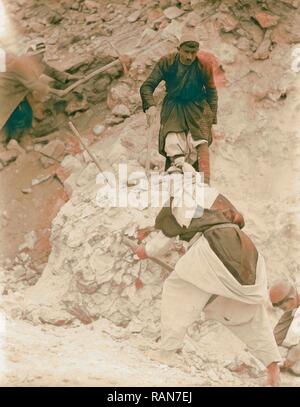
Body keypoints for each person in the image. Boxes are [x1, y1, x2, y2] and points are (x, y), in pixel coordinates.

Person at [134, 168, 281, 386]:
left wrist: (143, 251)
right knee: (248, 311)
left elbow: (161, 242)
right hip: (248, 252)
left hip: (215, 248)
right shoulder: (214, 195)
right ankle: (273, 367)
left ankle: (165, 353)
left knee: (179, 289)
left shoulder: (180, 197)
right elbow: (229, 221)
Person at [139, 32, 218, 184]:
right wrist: (150, 105)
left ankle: (205, 183)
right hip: (174, 106)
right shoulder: (167, 62)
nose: (189, 56)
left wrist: (212, 118)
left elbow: (212, 92)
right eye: (186, 52)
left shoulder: (203, 65)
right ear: (179, 49)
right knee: (173, 139)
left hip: (198, 106)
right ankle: (176, 178)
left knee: (201, 141)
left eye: (193, 53)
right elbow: (147, 86)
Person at [0, 45, 50, 143]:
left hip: (18, 94)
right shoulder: (19, 64)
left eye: (43, 53)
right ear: (33, 55)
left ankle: (18, 139)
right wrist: (54, 91)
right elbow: (34, 85)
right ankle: (6, 143)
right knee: (7, 117)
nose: (43, 56)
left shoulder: (35, 62)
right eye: (40, 54)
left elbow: (50, 70)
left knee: (25, 115)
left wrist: (69, 77)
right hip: (6, 94)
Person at [270, 280, 300, 376]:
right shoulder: (295, 301)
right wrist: (268, 345)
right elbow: (281, 328)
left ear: (291, 299)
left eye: (283, 308)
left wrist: (292, 357)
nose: (281, 310)